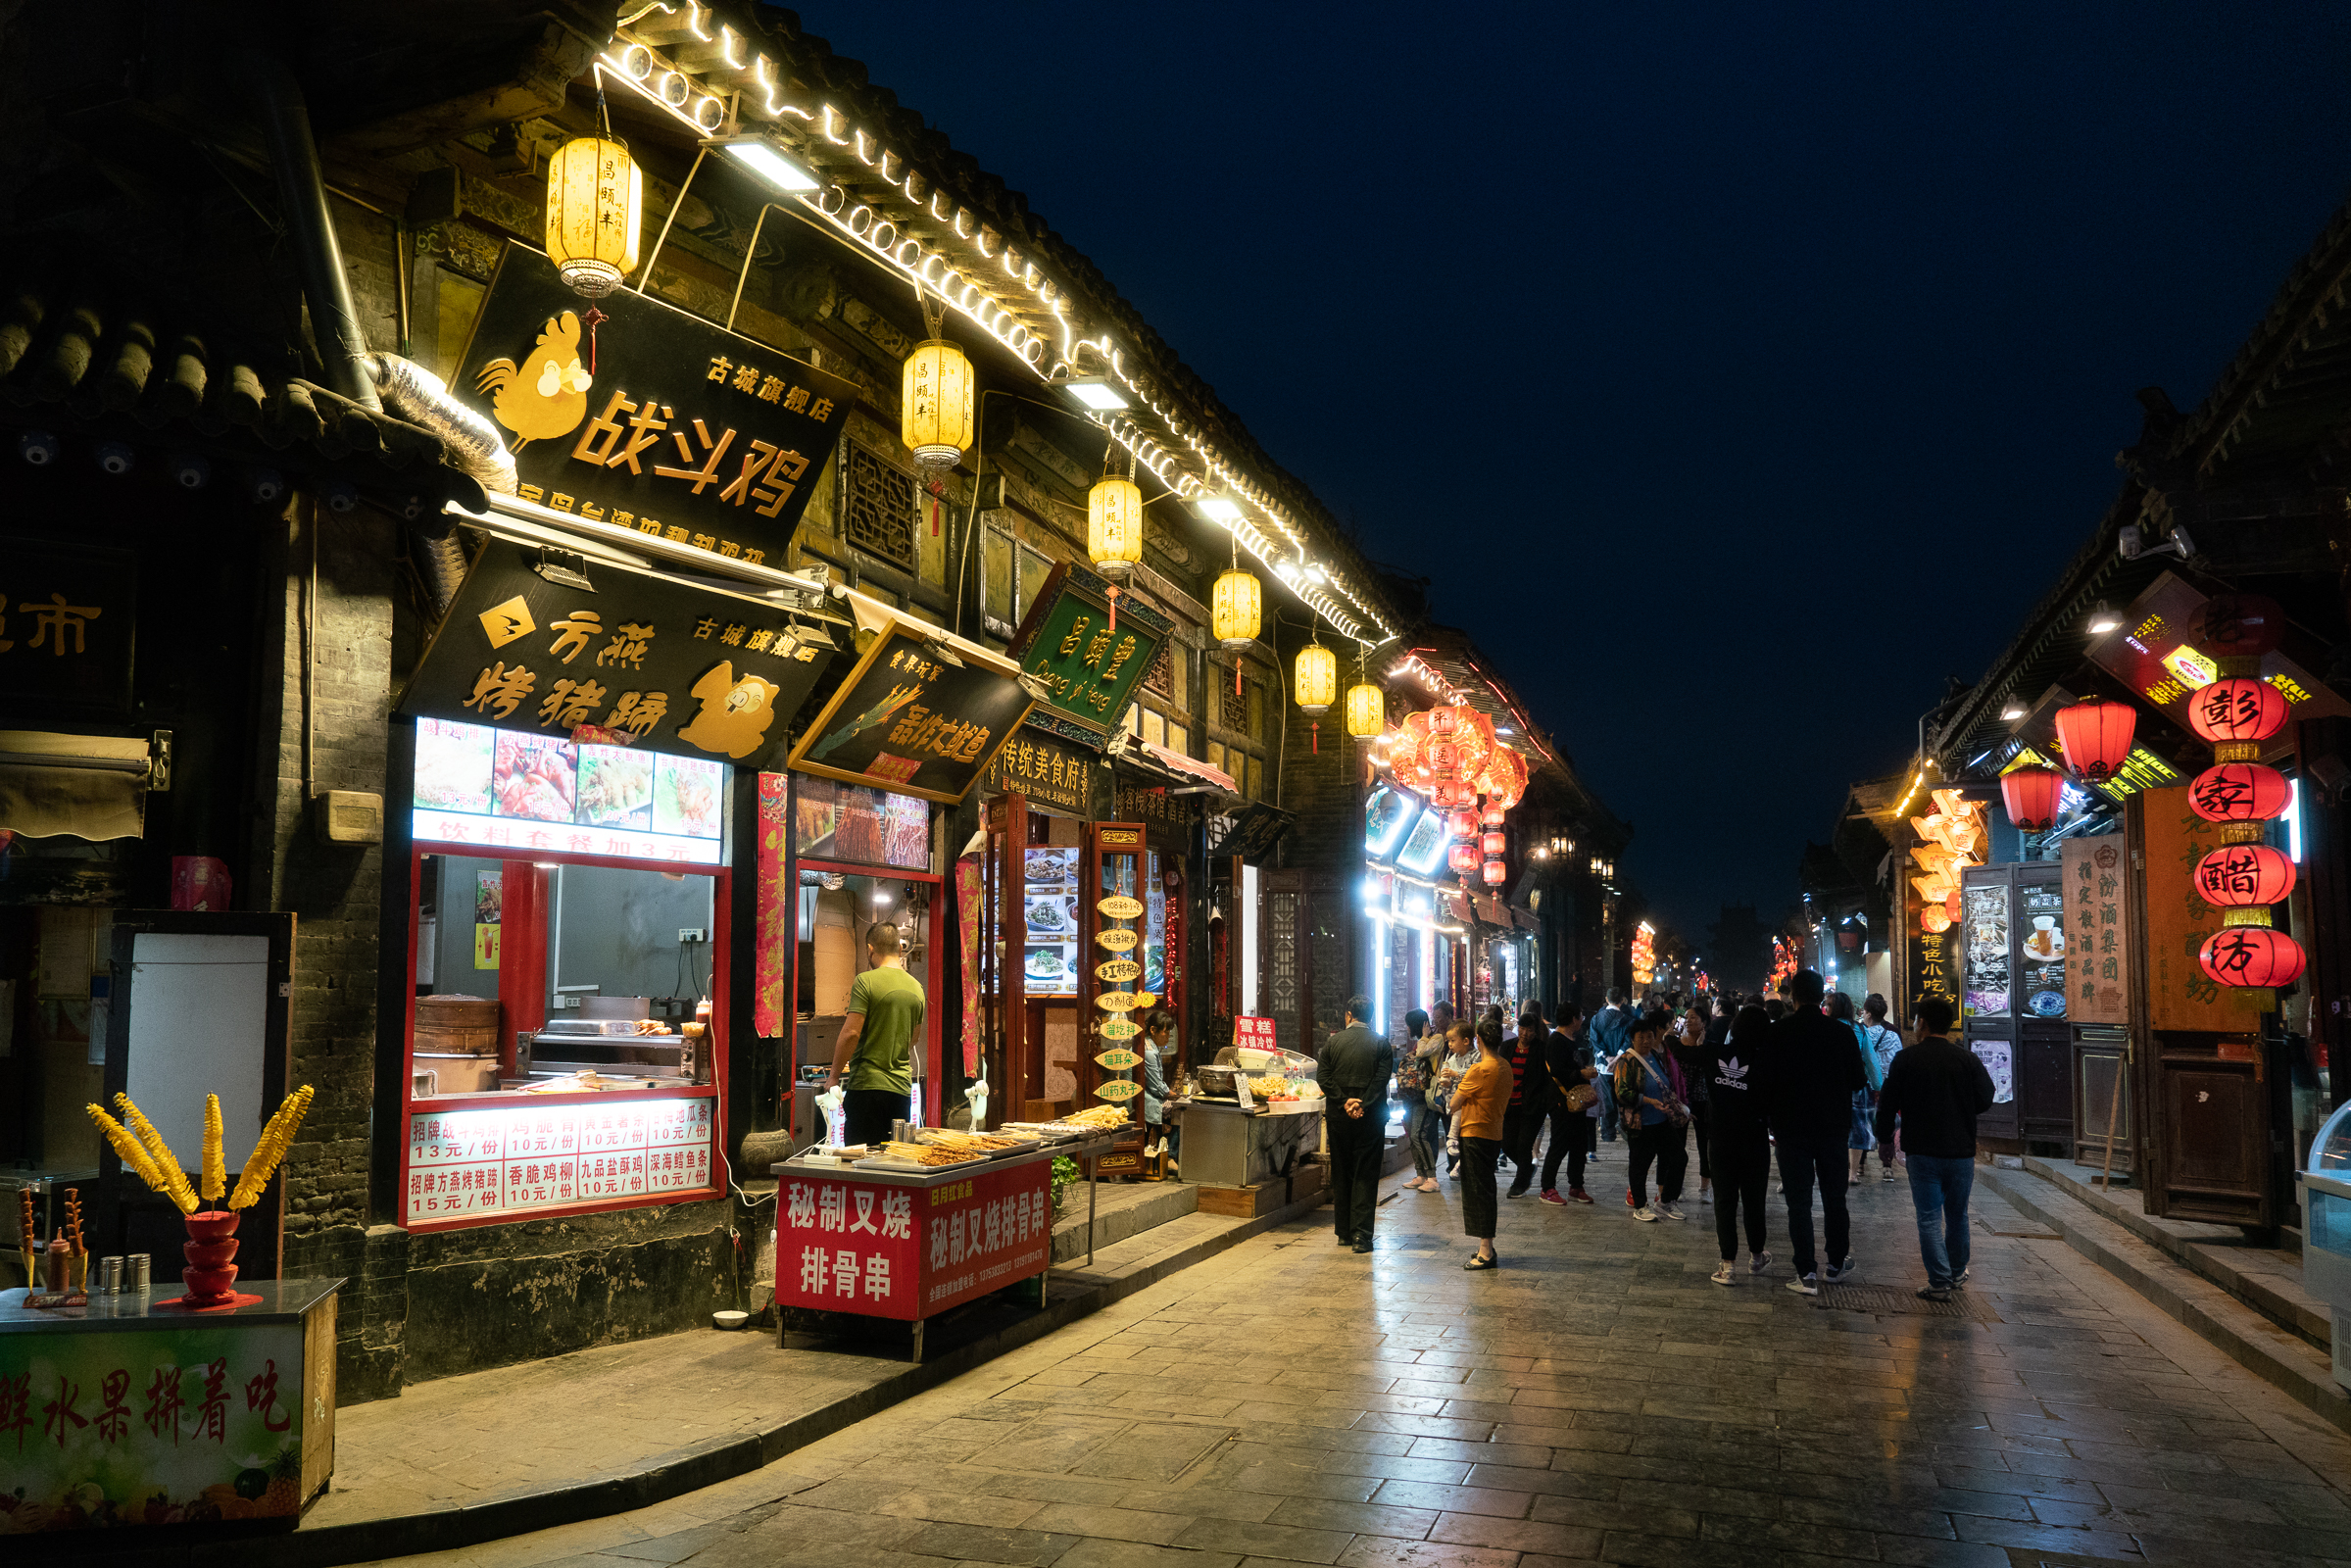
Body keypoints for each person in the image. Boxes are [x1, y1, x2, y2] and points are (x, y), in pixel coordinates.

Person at [1877, 995, 1994, 1300]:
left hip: (1922, 1151)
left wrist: (1884, 1138)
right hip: (1960, 1151)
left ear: (1923, 1023)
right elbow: (1985, 1097)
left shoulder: (1907, 1059)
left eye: (1916, 1019)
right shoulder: (1966, 1059)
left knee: (1928, 1216)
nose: (1914, 1025)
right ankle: (1956, 1272)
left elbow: (1888, 1103)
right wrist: (1961, 1111)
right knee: (1958, 1215)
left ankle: (1940, 1281)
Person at [1767, 969, 1868, 1294]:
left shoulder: (1778, 1032)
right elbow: (1857, 1080)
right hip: (1833, 1128)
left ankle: (1806, 1272)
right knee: (1834, 1198)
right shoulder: (1841, 1033)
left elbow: (1765, 1083)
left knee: (1799, 1202)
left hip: (1791, 1128)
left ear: (1792, 997)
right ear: (1821, 996)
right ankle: (1835, 1265)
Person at [826, 923, 925, 1148]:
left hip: (867, 1088)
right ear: (900, 950)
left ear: (870, 949)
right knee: (892, 1158)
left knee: (861, 1159)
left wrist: (833, 1076)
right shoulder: (917, 987)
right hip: (901, 1090)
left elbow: (851, 1033)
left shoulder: (866, 981)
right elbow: (914, 1038)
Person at [1316, 995, 1395, 1254]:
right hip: (1370, 1120)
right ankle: (1362, 1235)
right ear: (1371, 1017)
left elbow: (1324, 1078)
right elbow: (1381, 1080)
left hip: (1339, 1119)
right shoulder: (1381, 1044)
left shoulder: (1332, 1042)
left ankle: (1343, 1232)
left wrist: (1343, 1102)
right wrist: (1363, 1104)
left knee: (1342, 1171)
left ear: (1348, 1015)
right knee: (1365, 1174)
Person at [1706, 1003, 1776, 1284]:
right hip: (1754, 1139)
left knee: (1724, 1200)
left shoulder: (1715, 1054)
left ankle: (1728, 1265)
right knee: (1753, 1200)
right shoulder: (1766, 1062)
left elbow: (1684, 1050)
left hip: (1721, 1138)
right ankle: (1756, 1257)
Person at [1615, 1011, 1690, 1221]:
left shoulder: (1655, 1056)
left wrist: (1676, 1107)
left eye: (1649, 1036)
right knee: (1640, 1165)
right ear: (1632, 1038)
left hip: (1662, 1121)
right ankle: (1640, 1205)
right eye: (1641, 1037)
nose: (1646, 1040)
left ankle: (1666, 1201)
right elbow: (1622, 1093)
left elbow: (1665, 1084)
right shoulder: (1626, 1061)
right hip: (1641, 1123)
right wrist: (1650, 1101)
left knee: (1679, 1158)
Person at [1451, 1014, 1512, 1269]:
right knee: (1485, 1189)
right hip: (1494, 1132)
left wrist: (1456, 1086)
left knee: (1479, 1193)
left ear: (1478, 1040)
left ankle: (1485, 1250)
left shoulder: (1479, 1069)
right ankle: (1485, 1246)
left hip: (1474, 1133)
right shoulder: (1504, 1066)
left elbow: (1454, 1103)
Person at [1538, 1004, 1600, 1203]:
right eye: (1580, 1016)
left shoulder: (1571, 1039)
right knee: (1559, 1144)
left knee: (1579, 1144)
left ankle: (1576, 1185)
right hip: (1561, 1101)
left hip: (1576, 1102)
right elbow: (1556, 1070)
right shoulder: (1556, 1041)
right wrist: (1580, 1073)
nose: (1582, 1020)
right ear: (1573, 1019)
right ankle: (1547, 1188)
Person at [1828, 992, 1884, 1184]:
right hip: (1857, 1084)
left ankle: (1835, 1168)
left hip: (1832, 1086)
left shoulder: (1827, 1028)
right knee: (1858, 1126)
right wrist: (1877, 1086)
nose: (1825, 1009)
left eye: (1828, 1005)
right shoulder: (1859, 1029)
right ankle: (1852, 1173)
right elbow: (1870, 1059)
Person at [1857, 994, 1905, 1181]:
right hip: (1887, 1087)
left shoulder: (1863, 1034)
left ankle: (1860, 1165)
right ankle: (1887, 1166)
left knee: (1864, 1123)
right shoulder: (1893, 1034)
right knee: (1887, 1123)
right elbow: (1897, 1060)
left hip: (1867, 1087)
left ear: (1868, 1014)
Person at [1670, 1003, 1713, 1205]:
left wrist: (1702, 1047)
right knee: (1677, 1144)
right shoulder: (1676, 1042)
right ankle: (1675, 1186)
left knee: (1704, 1144)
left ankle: (1705, 1187)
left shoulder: (1709, 1044)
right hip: (1680, 1100)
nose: (1688, 1020)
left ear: (1704, 1022)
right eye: (1686, 1017)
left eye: (1693, 1017)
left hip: (1702, 1099)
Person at [1503, 1005, 1548, 1198]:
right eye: (1522, 1028)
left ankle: (1519, 1183)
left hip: (1531, 1107)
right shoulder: (1507, 1047)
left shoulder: (1541, 1050)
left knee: (1523, 1145)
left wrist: (1542, 1103)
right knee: (1507, 1144)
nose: (1525, 1033)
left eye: (1530, 1030)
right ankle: (1527, 1169)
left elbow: (1545, 1079)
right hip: (1509, 1105)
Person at [1399, 1008, 1444, 1194]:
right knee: (1412, 1134)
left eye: (1409, 1024)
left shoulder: (1436, 1038)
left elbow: (1422, 1054)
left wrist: (1424, 1037)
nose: (1407, 1028)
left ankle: (1432, 1178)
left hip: (1425, 1095)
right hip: (1411, 1095)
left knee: (1419, 1134)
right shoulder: (1419, 1041)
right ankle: (1420, 1175)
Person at [1432, 1020, 1479, 1177]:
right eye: (1448, 1040)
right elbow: (1446, 1075)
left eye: (1453, 1040)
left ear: (1466, 1041)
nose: (1449, 1044)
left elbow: (1474, 1074)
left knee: (1466, 1138)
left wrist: (1455, 1075)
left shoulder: (1476, 1056)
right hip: (1453, 1102)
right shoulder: (1451, 1057)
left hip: (1468, 1103)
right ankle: (1459, 1163)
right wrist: (1445, 1081)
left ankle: (1453, 1143)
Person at [1589, 988, 1632, 1143]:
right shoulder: (1627, 1019)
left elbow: (1595, 1040)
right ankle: (1625, 1126)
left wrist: (1606, 1057)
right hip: (1622, 1066)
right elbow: (1628, 1042)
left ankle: (1608, 1133)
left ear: (1607, 1000)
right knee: (1623, 1097)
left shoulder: (1596, 1019)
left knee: (1607, 1100)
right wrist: (1617, 1057)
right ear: (1622, 1001)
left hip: (1603, 1066)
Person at [1141, 1009, 1178, 1174]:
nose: (1168, 1037)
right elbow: (1157, 1087)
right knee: (1179, 1111)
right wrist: (1175, 1096)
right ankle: (1170, 1156)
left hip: (1151, 1095)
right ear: (1153, 1031)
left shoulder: (1150, 1046)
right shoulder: (1149, 1052)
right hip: (1147, 1099)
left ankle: (1169, 1154)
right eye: (1166, 1033)